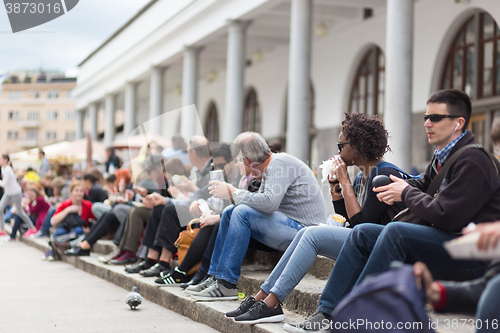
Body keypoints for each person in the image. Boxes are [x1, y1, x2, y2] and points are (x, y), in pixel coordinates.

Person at [286, 89, 500, 332]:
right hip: (446, 243)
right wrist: (399, 183)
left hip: (468, 255)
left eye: (436, 118)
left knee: (396, 232)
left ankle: (354, 321)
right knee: (363, 233)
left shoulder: (473, 160)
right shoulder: (443, 157)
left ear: (458, 123)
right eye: (425, 117)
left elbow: (448, 215)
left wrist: (404, 192)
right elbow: (422, 183)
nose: (427, 123)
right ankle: (326, 313)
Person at [228, 113, 408, 324]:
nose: (338, 152)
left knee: (312, 234)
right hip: (367, 243)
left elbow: (361, 228)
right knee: (306, 232)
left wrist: (345, 181)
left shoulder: (383, 176)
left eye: (341, 146)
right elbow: (346, 221)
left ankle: (272, 304)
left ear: (357, 146)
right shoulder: (362, 176)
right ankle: (262, 297)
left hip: (385, 250)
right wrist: (336, 189)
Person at [189, 132, 327, 301]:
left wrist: (234, 193)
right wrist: (234, 196)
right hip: (291, 227)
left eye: (239, 160)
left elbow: (269, 203)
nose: (239, 165)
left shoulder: (279, 163)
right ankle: (215, 277)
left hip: (305, 233)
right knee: (230, 212)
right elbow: (260, 204)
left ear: (246, 159)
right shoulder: (270, 166)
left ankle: (226, 284)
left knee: (240, 212)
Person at [124, 136, 213, 277]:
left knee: (169, 209)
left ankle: (163, 263)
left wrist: (178, 194)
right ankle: (151, 259)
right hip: (194, 208)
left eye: (188, 151)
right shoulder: (197, 171)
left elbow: (202, 198)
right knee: (160, 208)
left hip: (205, 213)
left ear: (193, 153)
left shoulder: (210, 170)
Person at [154, 143, 241, 286]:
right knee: (169, 210)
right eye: (215, 165)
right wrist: (199, 203)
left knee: (210, 224)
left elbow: (238, 207)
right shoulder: (215, 174)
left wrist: (214, 214)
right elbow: (201, 194)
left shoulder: (239, 178)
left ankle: (185, 272)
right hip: (213, 213)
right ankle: (160, 262)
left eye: (221, 165)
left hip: (227, 219)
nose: (218, 169)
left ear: (233, 160)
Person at [413, 221, 500, 333]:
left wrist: (407, 202)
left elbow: (447, 216)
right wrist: (436, 292)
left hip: (473, 255)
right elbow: (486, 289)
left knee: (395, 233)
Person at [0, 154, 36, 237]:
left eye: (1, 159)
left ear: (5, 160)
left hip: (15, 192)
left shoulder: (8, 170)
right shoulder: (3, 169)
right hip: (9, 192)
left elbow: (4, 183)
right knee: (0, 208)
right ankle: (2, 229)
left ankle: (32, 228)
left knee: (19, 212)